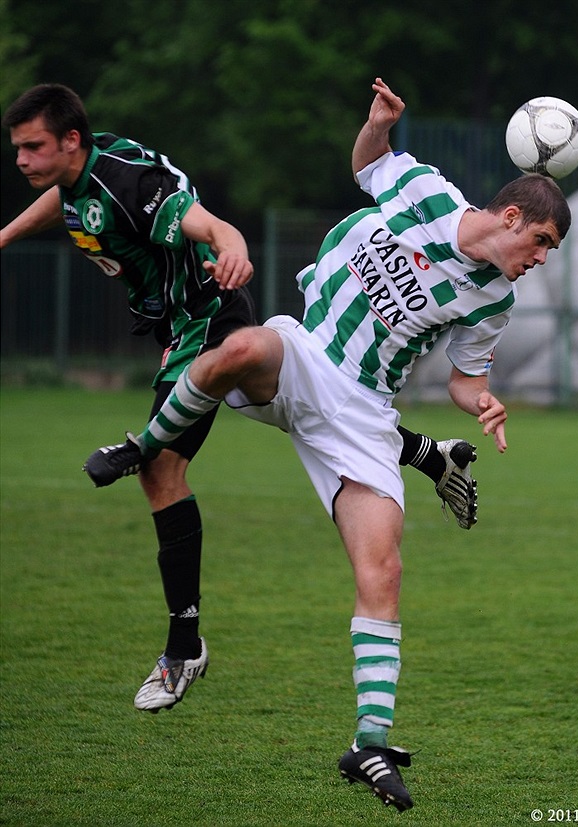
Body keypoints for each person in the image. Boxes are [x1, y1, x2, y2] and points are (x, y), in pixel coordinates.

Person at [83, 77, 571, 812]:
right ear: (510, 216)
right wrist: (378, 123)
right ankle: (142, 443)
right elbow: (369, 162)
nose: (540, 259)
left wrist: (485, 402)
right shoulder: (429, 194)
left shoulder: (494, 298)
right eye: (541, 242)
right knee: (236, 347)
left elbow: (468, 379)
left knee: (385, 567)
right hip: (309, 355)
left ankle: (370, 744)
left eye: (549, 252)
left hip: (364, 415)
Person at [1, 85, 478, 719]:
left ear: (69, 140)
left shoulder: (127, 183)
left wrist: (233, 246)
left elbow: (203, 220)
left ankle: (182, 648)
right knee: (313, 415)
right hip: (180, 326)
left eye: (33, 147)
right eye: (17, 150)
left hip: (209, 320)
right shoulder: (87, 167)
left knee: (161, 467)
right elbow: (65, 197)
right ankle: (425, 453)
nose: (22, 161)